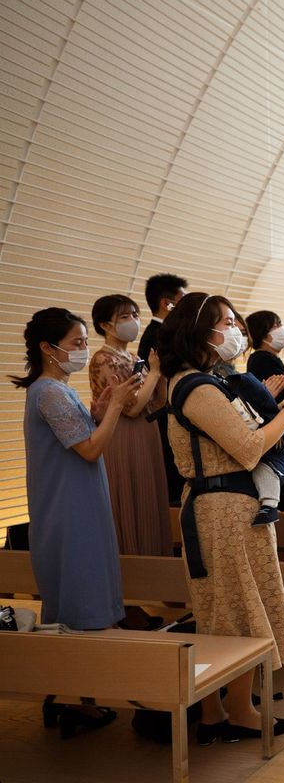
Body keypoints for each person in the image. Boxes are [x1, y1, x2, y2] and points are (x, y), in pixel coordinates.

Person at [161, 292, 284, 745]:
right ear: (199, 331)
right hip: (223, 510)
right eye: (225, 322)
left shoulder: (206, 381)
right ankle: (239, 713)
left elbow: (239, 433)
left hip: (230, 505)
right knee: (235, 607)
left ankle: (219, 712)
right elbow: (250, 447)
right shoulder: (196, 387)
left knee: (229, 605)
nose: (234, 330)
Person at [13, 307, 140, 738]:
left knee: (81, 597)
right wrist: (116, 406)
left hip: (78, 504)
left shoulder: (57, 390)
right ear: (47, 348)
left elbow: (82, 438)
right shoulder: (49, 392)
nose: (84, 350)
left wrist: (100, 409)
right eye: (77, 343)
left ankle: (78, 696)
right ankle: (70, 698)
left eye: (85, 341)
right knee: (77, 602)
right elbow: (89, 449)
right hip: (69, 512)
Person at [87, 294, 172, 556]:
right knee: (130, 497)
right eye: (125, 317)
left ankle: (153, 564)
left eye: (135, 315)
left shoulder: (134, 357)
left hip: (146, 432)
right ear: (105, 325)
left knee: (148, 498)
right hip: (123, 434)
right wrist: (154, 373)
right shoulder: (103, 359)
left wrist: (161, 374)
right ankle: (133, 568)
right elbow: (132, 408)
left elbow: (156, 403)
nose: (133, 321)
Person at [139, 273, 188, 506]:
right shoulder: (158, 335)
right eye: (181, 301)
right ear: (166, 303)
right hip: (164, 415)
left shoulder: (164, 332)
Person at [246, 310, 284, 382]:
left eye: (280, 324)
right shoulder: (262, 360)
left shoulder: (269, 357)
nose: (282, 329)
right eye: (275, 326)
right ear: (262, 335)